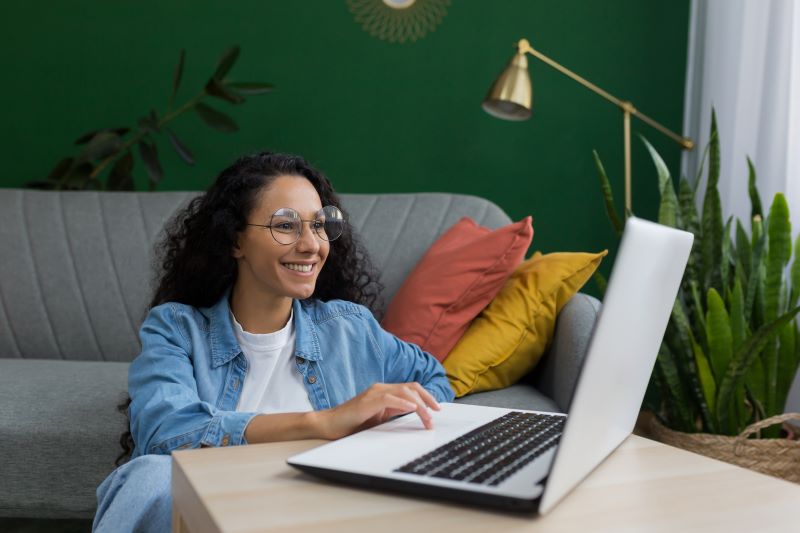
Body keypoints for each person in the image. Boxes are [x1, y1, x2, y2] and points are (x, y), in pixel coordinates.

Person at [92, 151, 455, 532]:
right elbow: (166, 432)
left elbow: (433, 380)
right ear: (235, 240)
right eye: (286, 226)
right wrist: (322, 423)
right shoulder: (177, 329)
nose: (311, 244)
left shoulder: (352, 329)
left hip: (322, 510)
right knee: (152, 476)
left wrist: (375, 433)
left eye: (319, 225)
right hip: (219, 509)